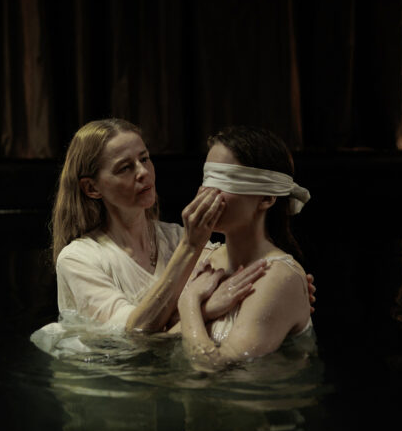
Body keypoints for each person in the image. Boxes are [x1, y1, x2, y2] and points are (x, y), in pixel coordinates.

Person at [45, 119, 315, 337]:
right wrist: (204, 308)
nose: (143, 172)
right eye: (125, 168)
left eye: (144, 159)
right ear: (92, 188)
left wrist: (285, 288)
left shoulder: (175, 237)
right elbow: (132, 337)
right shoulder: (78, 259)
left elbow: (243, 278)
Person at [176, 126, 314, 369]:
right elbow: (150, 340)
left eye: (224, 180)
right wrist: (204, 310)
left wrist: (189, 303)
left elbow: (212, 367)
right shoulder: (204, 257)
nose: (206, 193)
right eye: (207, 178)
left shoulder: (279, 277)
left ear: (267, 198)